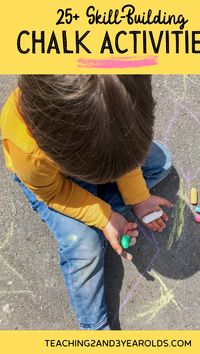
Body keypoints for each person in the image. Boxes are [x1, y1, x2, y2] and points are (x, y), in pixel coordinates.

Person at [0, 75, 172, 330]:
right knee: (84, 244)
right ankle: (95, 330)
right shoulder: (30, 154)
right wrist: (104, 217)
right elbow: (54, 192)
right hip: (52, 186)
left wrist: (140, 198)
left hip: (81, 148)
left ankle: (109, 211)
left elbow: (123, 148)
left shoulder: (116, 100)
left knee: (162, 162)